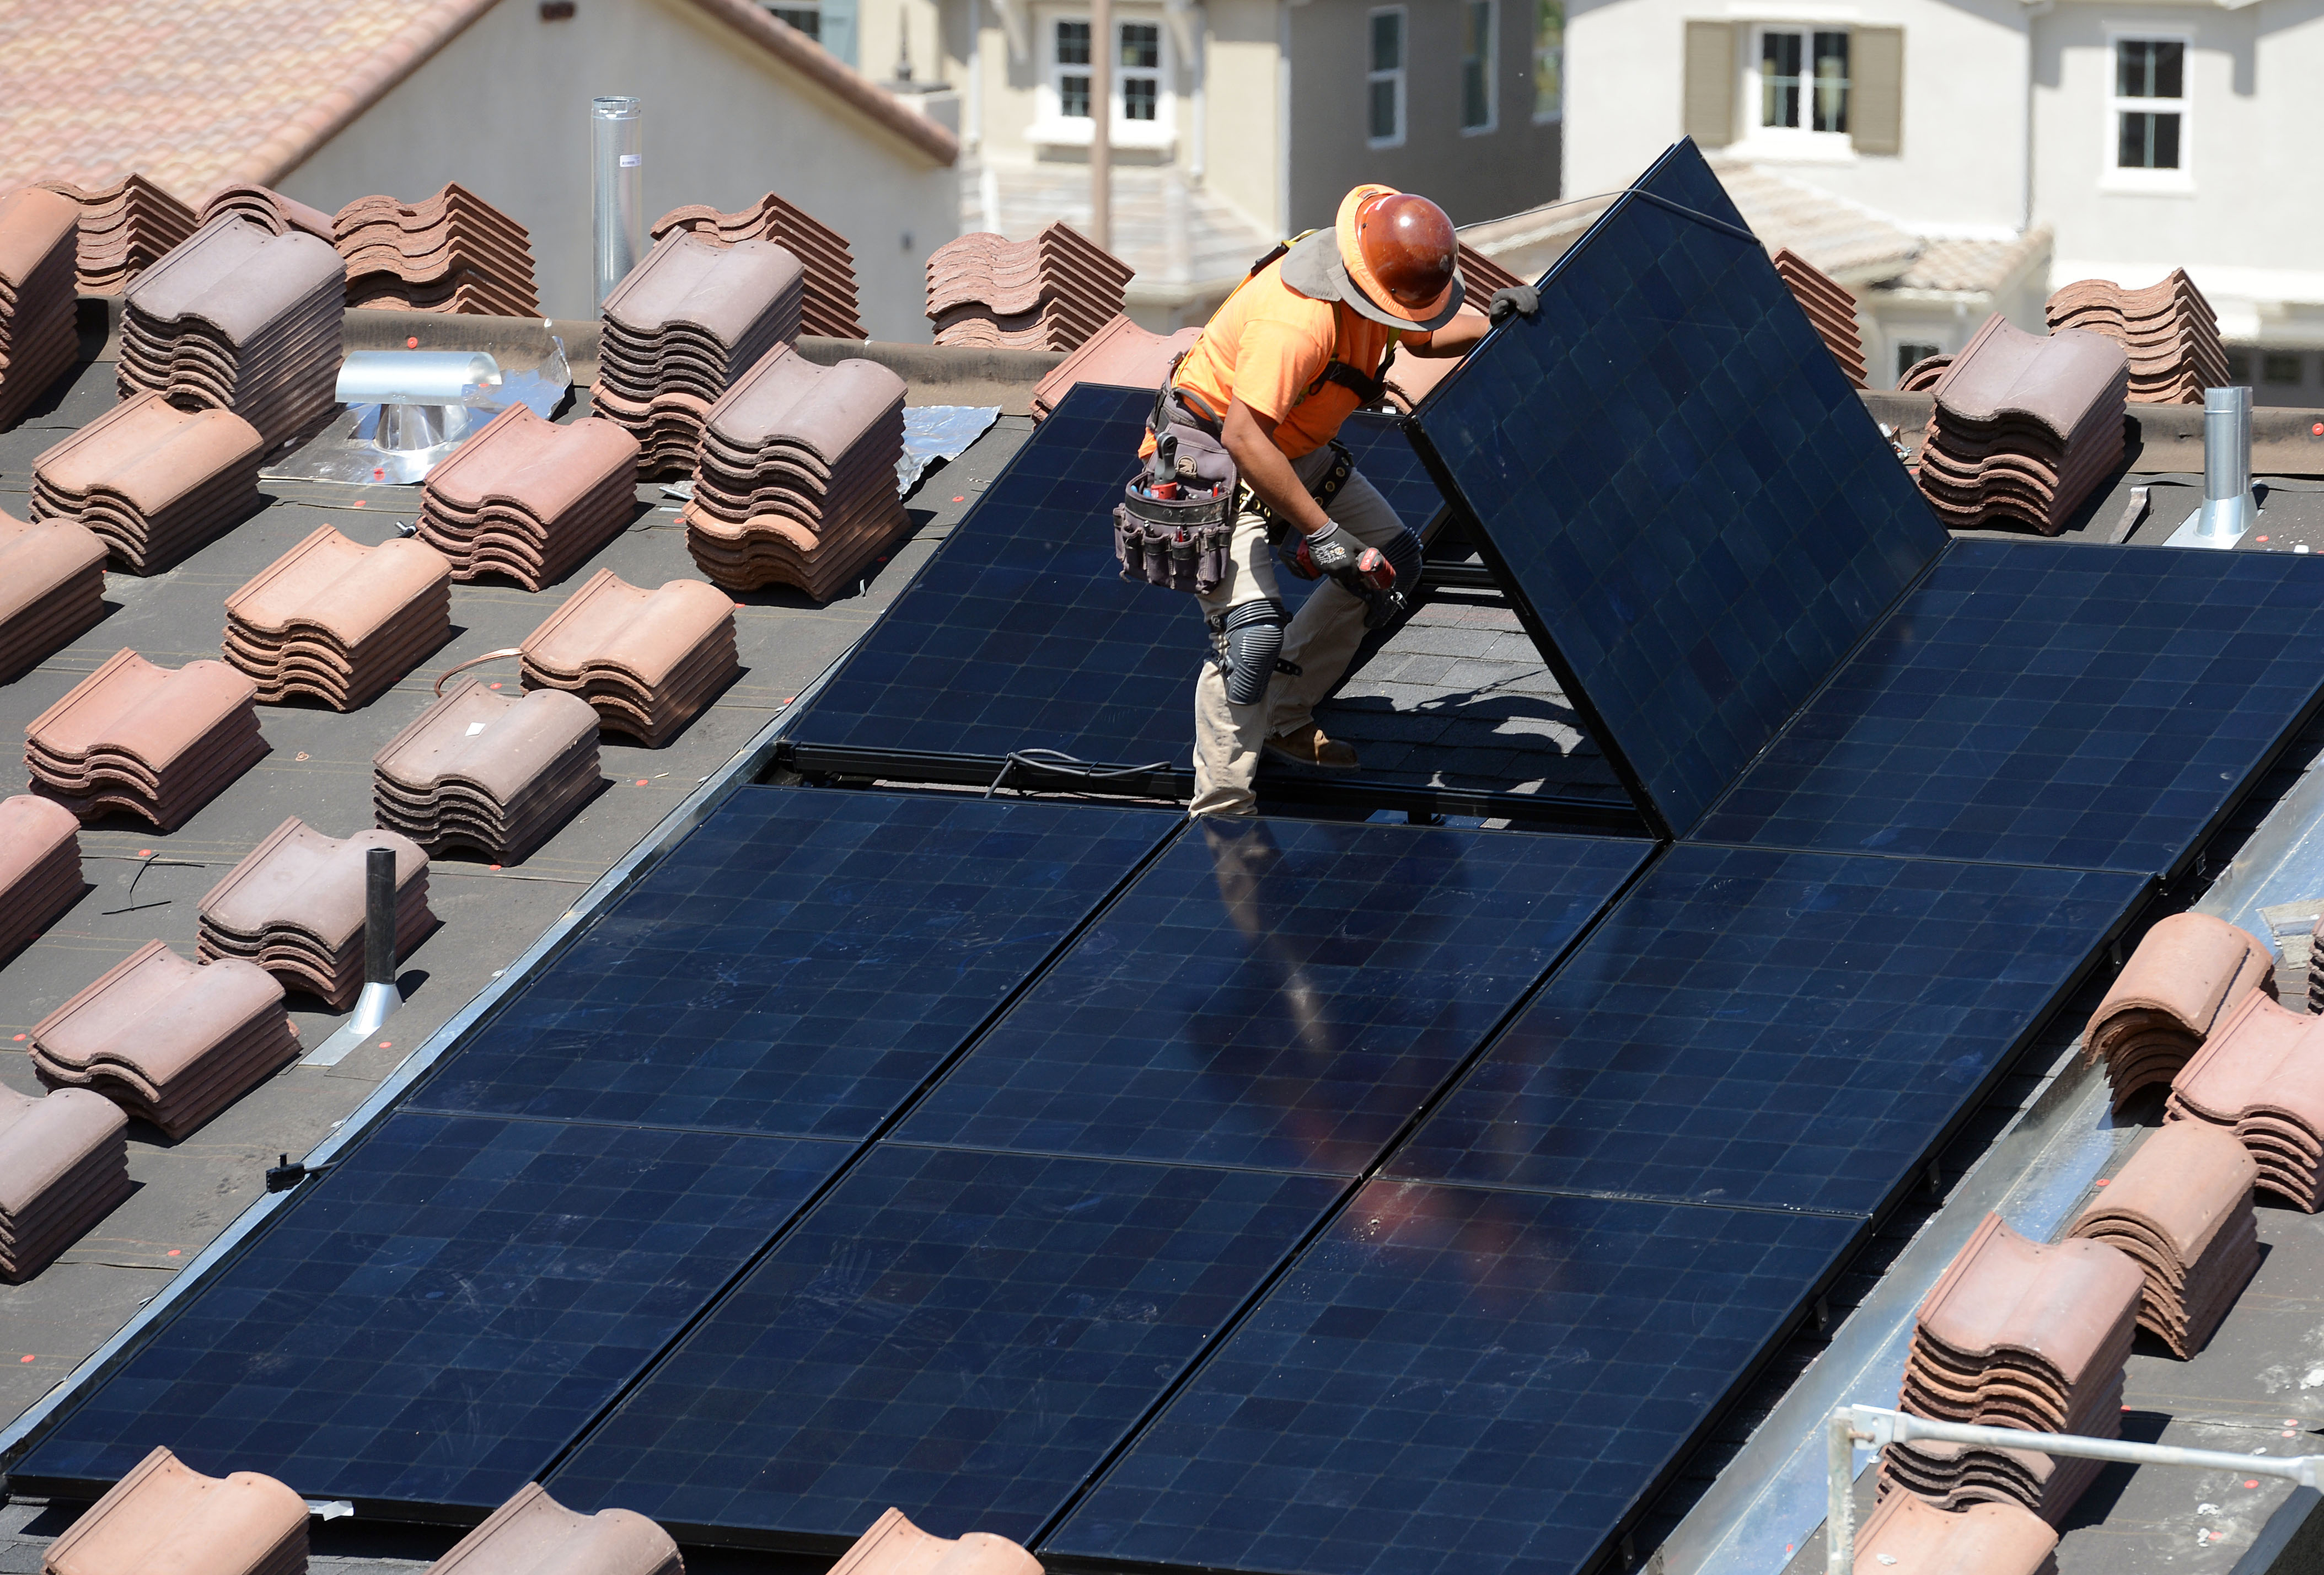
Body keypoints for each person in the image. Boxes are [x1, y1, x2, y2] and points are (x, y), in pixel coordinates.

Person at [1140, 184, 1505, 817]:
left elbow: (1420, 338)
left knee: (1394, 561)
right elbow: (1243, 436)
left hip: (1289, 447)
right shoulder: (1298, 322)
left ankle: (1284, 715)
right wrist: (1322, 533)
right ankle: (1222, 815)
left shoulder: (1369, 286)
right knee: (1250, 638)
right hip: (1213, 456)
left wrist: (1496, 322)